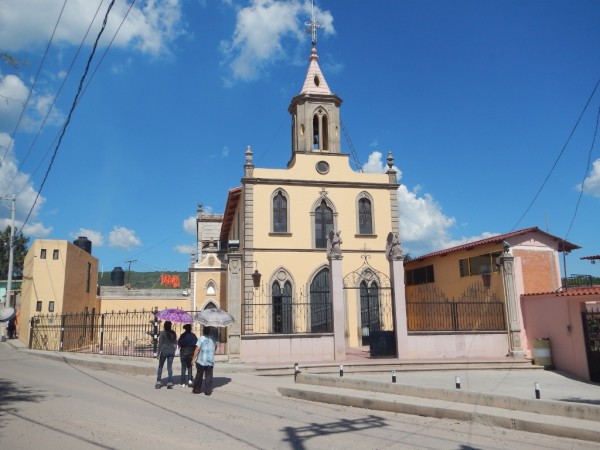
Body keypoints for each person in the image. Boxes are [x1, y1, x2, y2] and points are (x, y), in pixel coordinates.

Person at [192, 326, 216, 395]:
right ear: (210, 331)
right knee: (208, 376)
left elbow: (197, 349)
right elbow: (215, 348)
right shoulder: (213, 339)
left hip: (201, 360)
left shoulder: (201, 338)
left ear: (204, 331)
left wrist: (193, 359)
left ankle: (196, 390)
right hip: (210, 361)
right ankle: (208, 391)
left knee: (199, 375)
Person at [155, 321, 177, 389]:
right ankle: (170, 382)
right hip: (171, 351)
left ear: (164, 326)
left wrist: (158, 353)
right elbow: (175, 343)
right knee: (169, 367)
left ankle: (158, 381)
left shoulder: (162, 333)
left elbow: (160, 344)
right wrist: (174, 349)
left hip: (164, 351)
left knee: (161, 366)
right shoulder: (173, 333)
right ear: (170, 326)